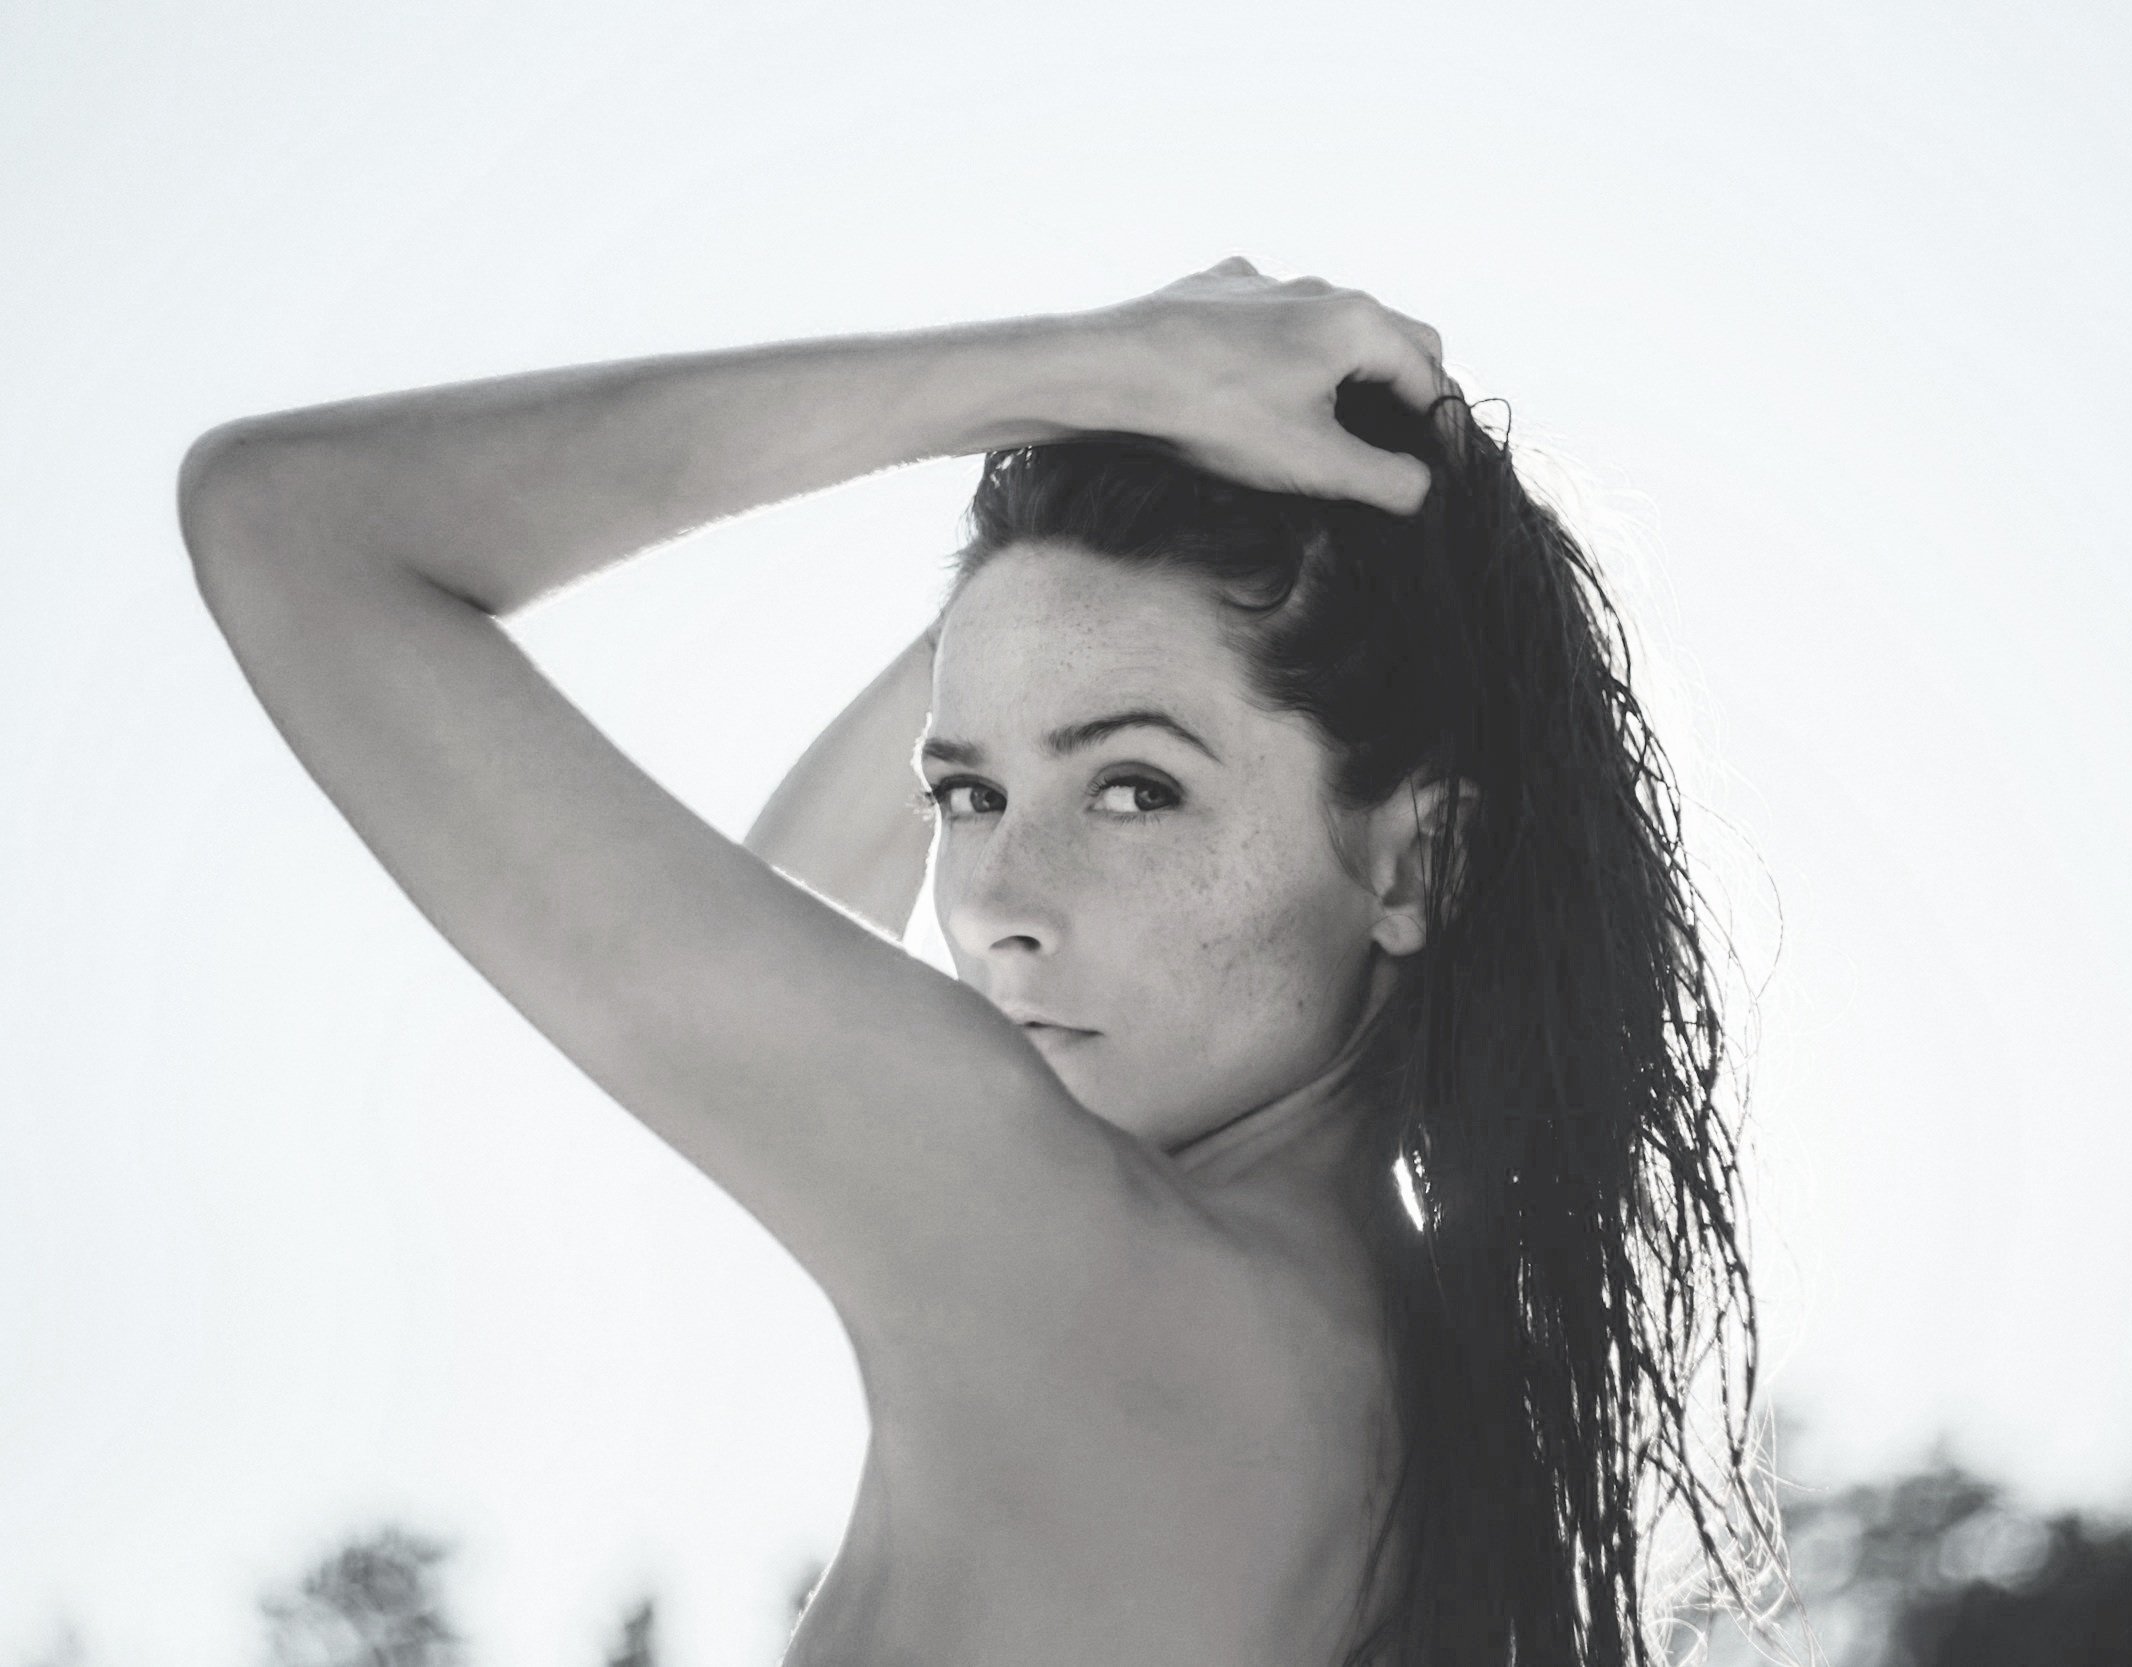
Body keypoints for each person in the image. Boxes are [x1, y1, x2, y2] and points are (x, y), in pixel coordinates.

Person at [178, 256, 1778, 1667]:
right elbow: (788, 912)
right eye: (966, 795)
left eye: (1136, 789)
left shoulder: (1119, 1283)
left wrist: (1089, 367)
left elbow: (290, 521)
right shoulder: (1389, 1377)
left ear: (1416, 860)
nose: (1000, 901)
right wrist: (1048, 582)